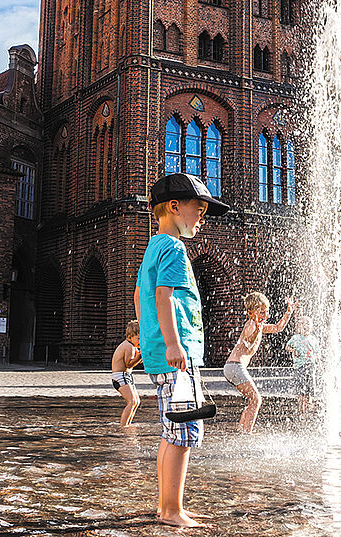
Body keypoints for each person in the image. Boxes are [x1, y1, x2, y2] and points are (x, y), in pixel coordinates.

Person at [134, 172, 229, 528]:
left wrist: (149, 341)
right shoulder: (174, 247)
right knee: (185, 431)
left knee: (171, 429)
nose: (202, 218)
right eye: (199, 210)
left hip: (163, 352)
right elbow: (164, 297)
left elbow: (139, 297)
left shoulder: (153, 247)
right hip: (178, 356)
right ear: (174, 207)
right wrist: (173, 344)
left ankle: (166, 505)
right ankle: (172, 510)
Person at [223, 292, 295, 432]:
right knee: (256, 399)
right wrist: (257, 329)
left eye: (267, 312)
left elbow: (277, 328)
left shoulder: (259, 326)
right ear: (251, 313)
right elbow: (248, 342)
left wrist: (288, 313)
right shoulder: (250, 324)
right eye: (262, 312)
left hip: (233, 367)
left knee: (252, 399)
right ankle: (247, 432)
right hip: (235, 367)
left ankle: (242, 429)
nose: (266, 315)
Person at [111, 320, 144, 426]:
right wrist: (139, 356)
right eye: (138, 338)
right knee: (131, 401)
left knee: (136, 401)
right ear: (130, 336)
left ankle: (128, 423)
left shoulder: (131, 346)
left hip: (125, 376)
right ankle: (123, 426)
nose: (140, 341)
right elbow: (129, 364)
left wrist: (139, 358)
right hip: (120, 376)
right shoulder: (129, 346)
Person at [286, 314, 318, 416]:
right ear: (299, 327)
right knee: (301, 386)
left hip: (311, 365)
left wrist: (318, 360)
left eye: (308, 323)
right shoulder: (295, 338)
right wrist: (293, 350)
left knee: (310, 385)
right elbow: (287, 346)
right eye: (303, 323)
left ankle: (309, 403)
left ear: (312, 327)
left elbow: (317, 352)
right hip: (299, 366)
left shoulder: (313, 339)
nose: (306, 325)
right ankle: (301, 409)